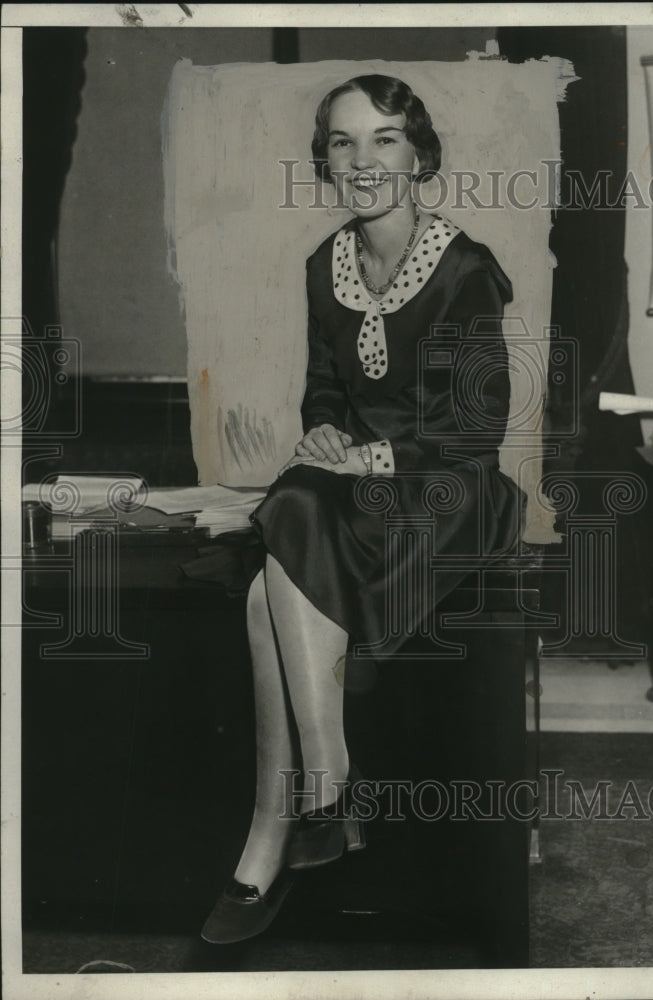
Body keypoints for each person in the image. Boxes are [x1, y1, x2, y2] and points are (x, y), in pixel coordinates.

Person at [198, 74, 523, 945]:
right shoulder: (324, 265)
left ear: (418, 156)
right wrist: (328, 436)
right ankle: (322, 793)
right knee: (290, 523)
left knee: (280, 556)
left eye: (384, 139)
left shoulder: (465, 271)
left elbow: (478, 431)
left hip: (451, 493)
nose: (363, 160)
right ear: (327, 161)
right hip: (362, 494)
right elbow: (324, 393)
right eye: (344, 142)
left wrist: (375, 454)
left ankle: (299, 810)